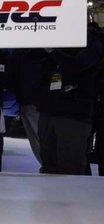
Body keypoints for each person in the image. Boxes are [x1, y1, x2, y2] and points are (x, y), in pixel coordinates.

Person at [36, 30, 103, 175]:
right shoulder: (53, 35)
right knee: (49, 164)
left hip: (73, 112)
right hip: (48, 109)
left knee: (71, 165)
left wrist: (53, 51)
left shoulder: (90, 41)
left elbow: (78, 65)